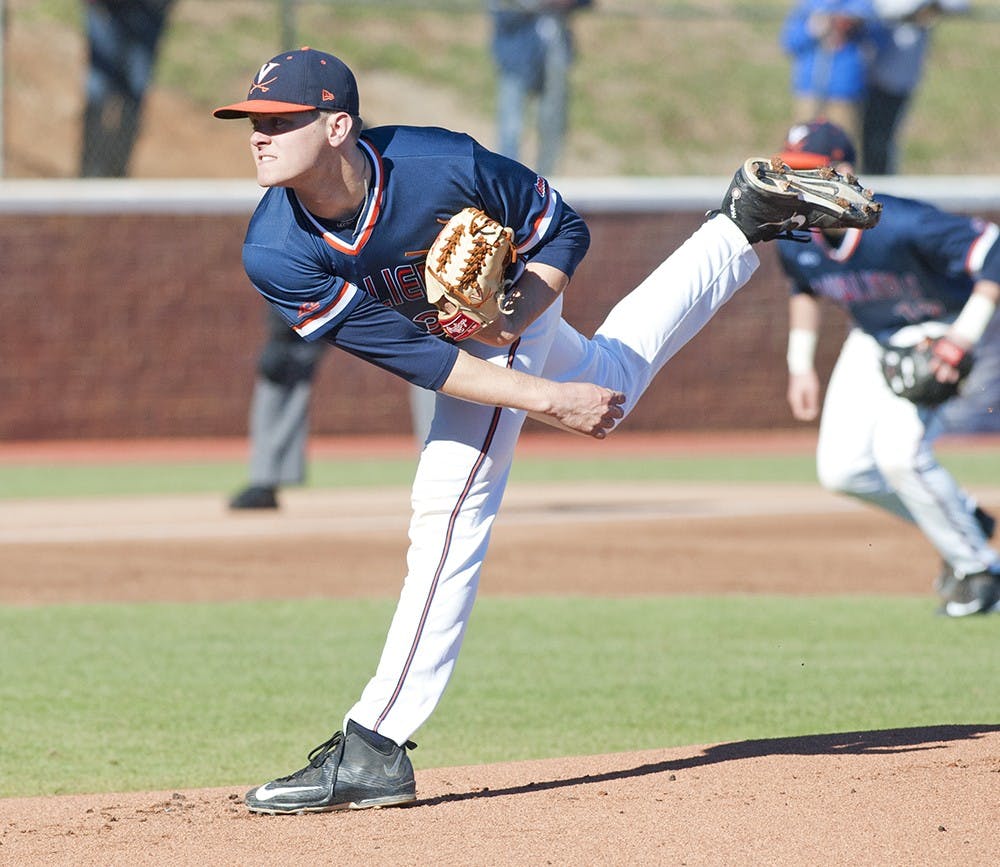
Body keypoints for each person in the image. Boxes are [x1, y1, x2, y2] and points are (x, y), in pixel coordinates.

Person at [212, 47, 878, 814]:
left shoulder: (440, 163)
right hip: (461, 343)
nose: (258, 135)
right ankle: (740, 226)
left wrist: (514, 325)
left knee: (449, 504)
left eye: (278, 120)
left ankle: (375, 744)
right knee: (608, 380)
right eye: (252, 121)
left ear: (337, 125)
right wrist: (545, 393)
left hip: (517, 294)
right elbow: (427, 360)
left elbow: (559, 229)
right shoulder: (275, 252)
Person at [774, 119, 1000, 619]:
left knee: (901, 456)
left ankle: (981, 571)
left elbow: (994, 250)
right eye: (793, 171)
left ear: (845, 172)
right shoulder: (796, 235)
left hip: (939, 327)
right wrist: (800, 365)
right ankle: (961, 519)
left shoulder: (900, 223)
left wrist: (962, 335)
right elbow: (805, 288)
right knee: (843, 471)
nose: (799, 182)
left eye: (811, 171)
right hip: (873, 336)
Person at [229, 305, 437, 510]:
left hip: (392, 275)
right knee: (282, 359)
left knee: (434, 348)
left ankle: (441, 469)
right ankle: (267, 477)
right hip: (328, 276)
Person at [861, 0, 971, 175]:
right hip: (867, 73)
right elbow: (879, 8)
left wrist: (933, 6)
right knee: (866, 138)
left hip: (901, 78)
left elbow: (960, 5)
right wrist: (913, 9)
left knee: (883, 139)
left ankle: (882, 183)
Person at [488, 0, 591, 176]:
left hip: (554, 57)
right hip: (516, 55)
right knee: (511, 127)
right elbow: (500, 8)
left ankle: (547, 184)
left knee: (552, 126)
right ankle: (507, 183)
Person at [80, 0, 177, 177]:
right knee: (98, 91)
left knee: (134, 92)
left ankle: (117, 175)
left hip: (149, 10)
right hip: (106, 7)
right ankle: (89, 175)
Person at [780, 0, 879, 145]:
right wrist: (812, 29)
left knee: (843, 148)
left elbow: (878, 43)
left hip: (845, 93)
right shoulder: (808, 6)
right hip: (809, 91)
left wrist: (855, 28)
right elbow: (790, 42)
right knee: (801, 145)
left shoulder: (863, 6)